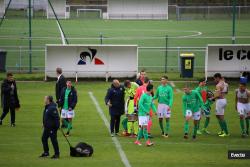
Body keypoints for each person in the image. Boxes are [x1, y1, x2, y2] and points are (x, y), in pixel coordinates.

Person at [212, 73, 230, 137]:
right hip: (224, 100)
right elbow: (227, 92)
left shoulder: (218, 85)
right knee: (217, 116)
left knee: (221, 117)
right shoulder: (225, 83)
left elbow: (218, 95)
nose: (214, 80)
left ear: (217, 78)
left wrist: (212, 98)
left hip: (220, 101)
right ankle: (222, 130)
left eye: (214, 78)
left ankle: (226, 132)